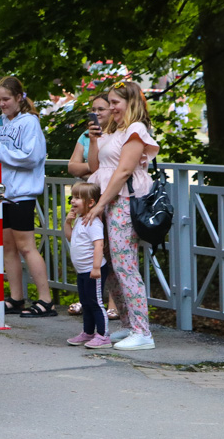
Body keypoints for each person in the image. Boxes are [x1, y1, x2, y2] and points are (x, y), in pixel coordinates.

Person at [85, 80, 160, 351]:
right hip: (108, 202)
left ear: (131, 103)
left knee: (125, 265)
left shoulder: (136, 130)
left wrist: (99, 204)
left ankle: (143, 332)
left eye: (116, 102)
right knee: (114, 267)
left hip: (123, 202)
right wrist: (94, 139)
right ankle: (129, 325)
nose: (112, 107)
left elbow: (124, 172)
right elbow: (96, 167)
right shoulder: (115, 130)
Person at [0, 76, 56, 318]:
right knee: (7, 246)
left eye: (6, 99)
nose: (1, 104)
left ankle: (45, 300)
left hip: (21, 193)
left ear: (19, 98)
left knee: (26, 246)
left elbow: (29, 157)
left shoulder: (29, 122)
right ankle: (16, 297)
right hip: (0, 193)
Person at [65, 93, 119, 319]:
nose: (96, 114)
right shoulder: (87, 135)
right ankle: (88, 297)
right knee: (86, 243)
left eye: (101, 109)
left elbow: (116, 167)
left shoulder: (118, 135)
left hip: (111, 196)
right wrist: (94, 167)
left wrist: (93, 168)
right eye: (93, 109)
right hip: (89, 198)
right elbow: (72, 166)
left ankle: (113, 304)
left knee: (110, 250)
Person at [63, 182, 110, 348]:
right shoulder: (80, 220)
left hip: (93, 270)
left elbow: (99, 245)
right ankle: (88, 332)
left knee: (95, 302)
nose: (73, 201)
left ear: (90, 203)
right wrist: (68, 223)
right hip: (82, 271)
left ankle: (104, 336)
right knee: (86, 302)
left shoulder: (93, 223)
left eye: (77, 198)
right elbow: (70, 238)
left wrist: (96, 267)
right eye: (72, 197)